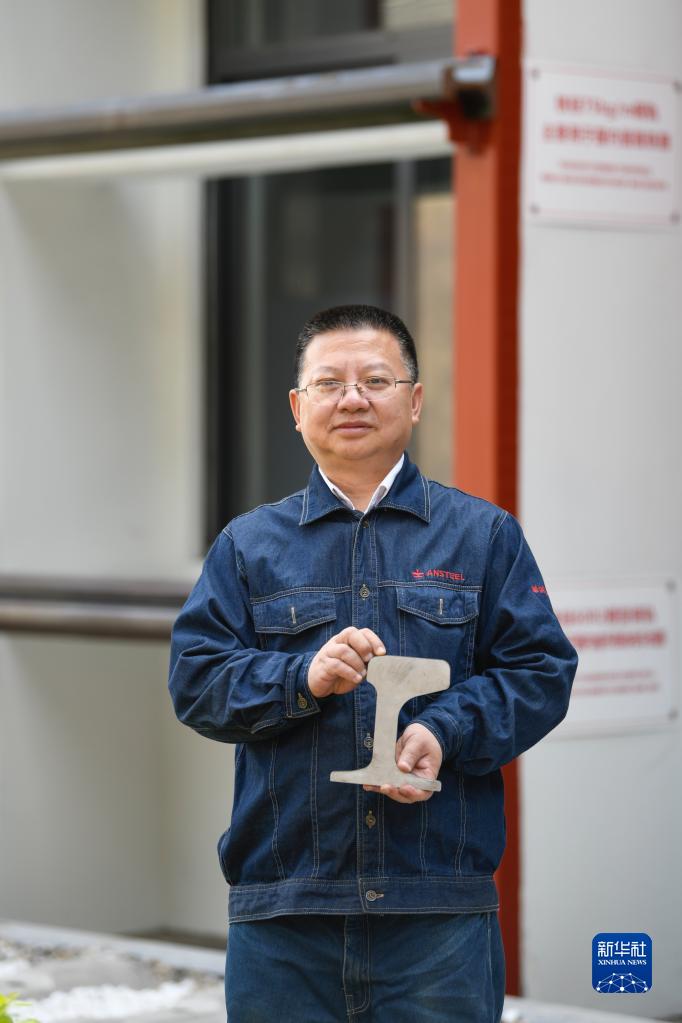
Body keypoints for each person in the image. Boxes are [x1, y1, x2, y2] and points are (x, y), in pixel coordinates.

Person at [168, 304, 577, 1022]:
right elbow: (197, 681)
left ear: (414, 401)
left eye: (376, 381)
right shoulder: (247, 546)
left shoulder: (483, 536)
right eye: (329, 383)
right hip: (285, 915)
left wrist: (445, 730)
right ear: (297, 408)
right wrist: (301, 678)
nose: (352, 398)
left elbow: (540, 671)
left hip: (436, 916)